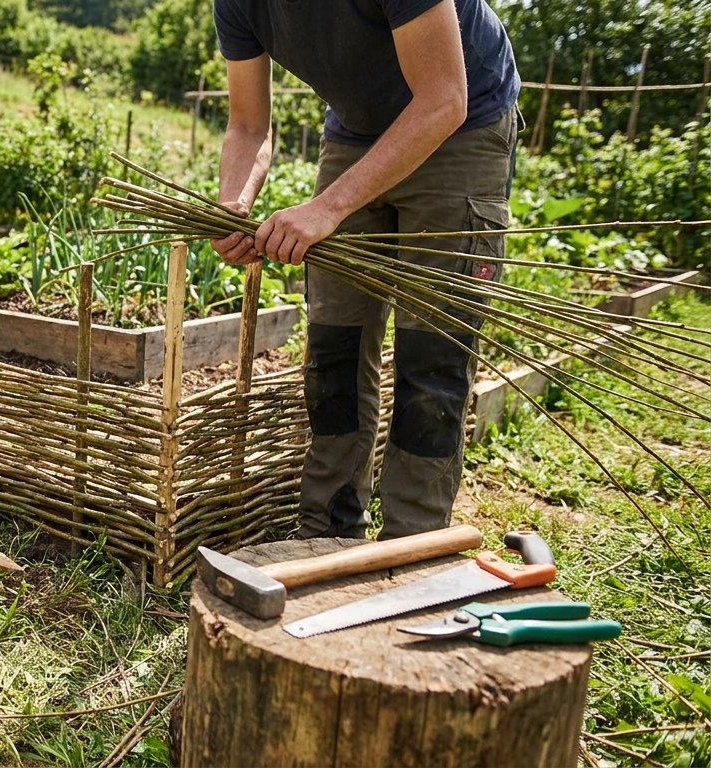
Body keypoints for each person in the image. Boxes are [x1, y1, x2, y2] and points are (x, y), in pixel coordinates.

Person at [208, 0, 521, 540]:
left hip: (461, 125)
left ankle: (411, 541)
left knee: (433, 351)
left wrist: (328, 208)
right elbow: (247, 124)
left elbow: (444, 98)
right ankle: (328, 529)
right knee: (336, 346)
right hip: (356, 133)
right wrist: (232, 204)